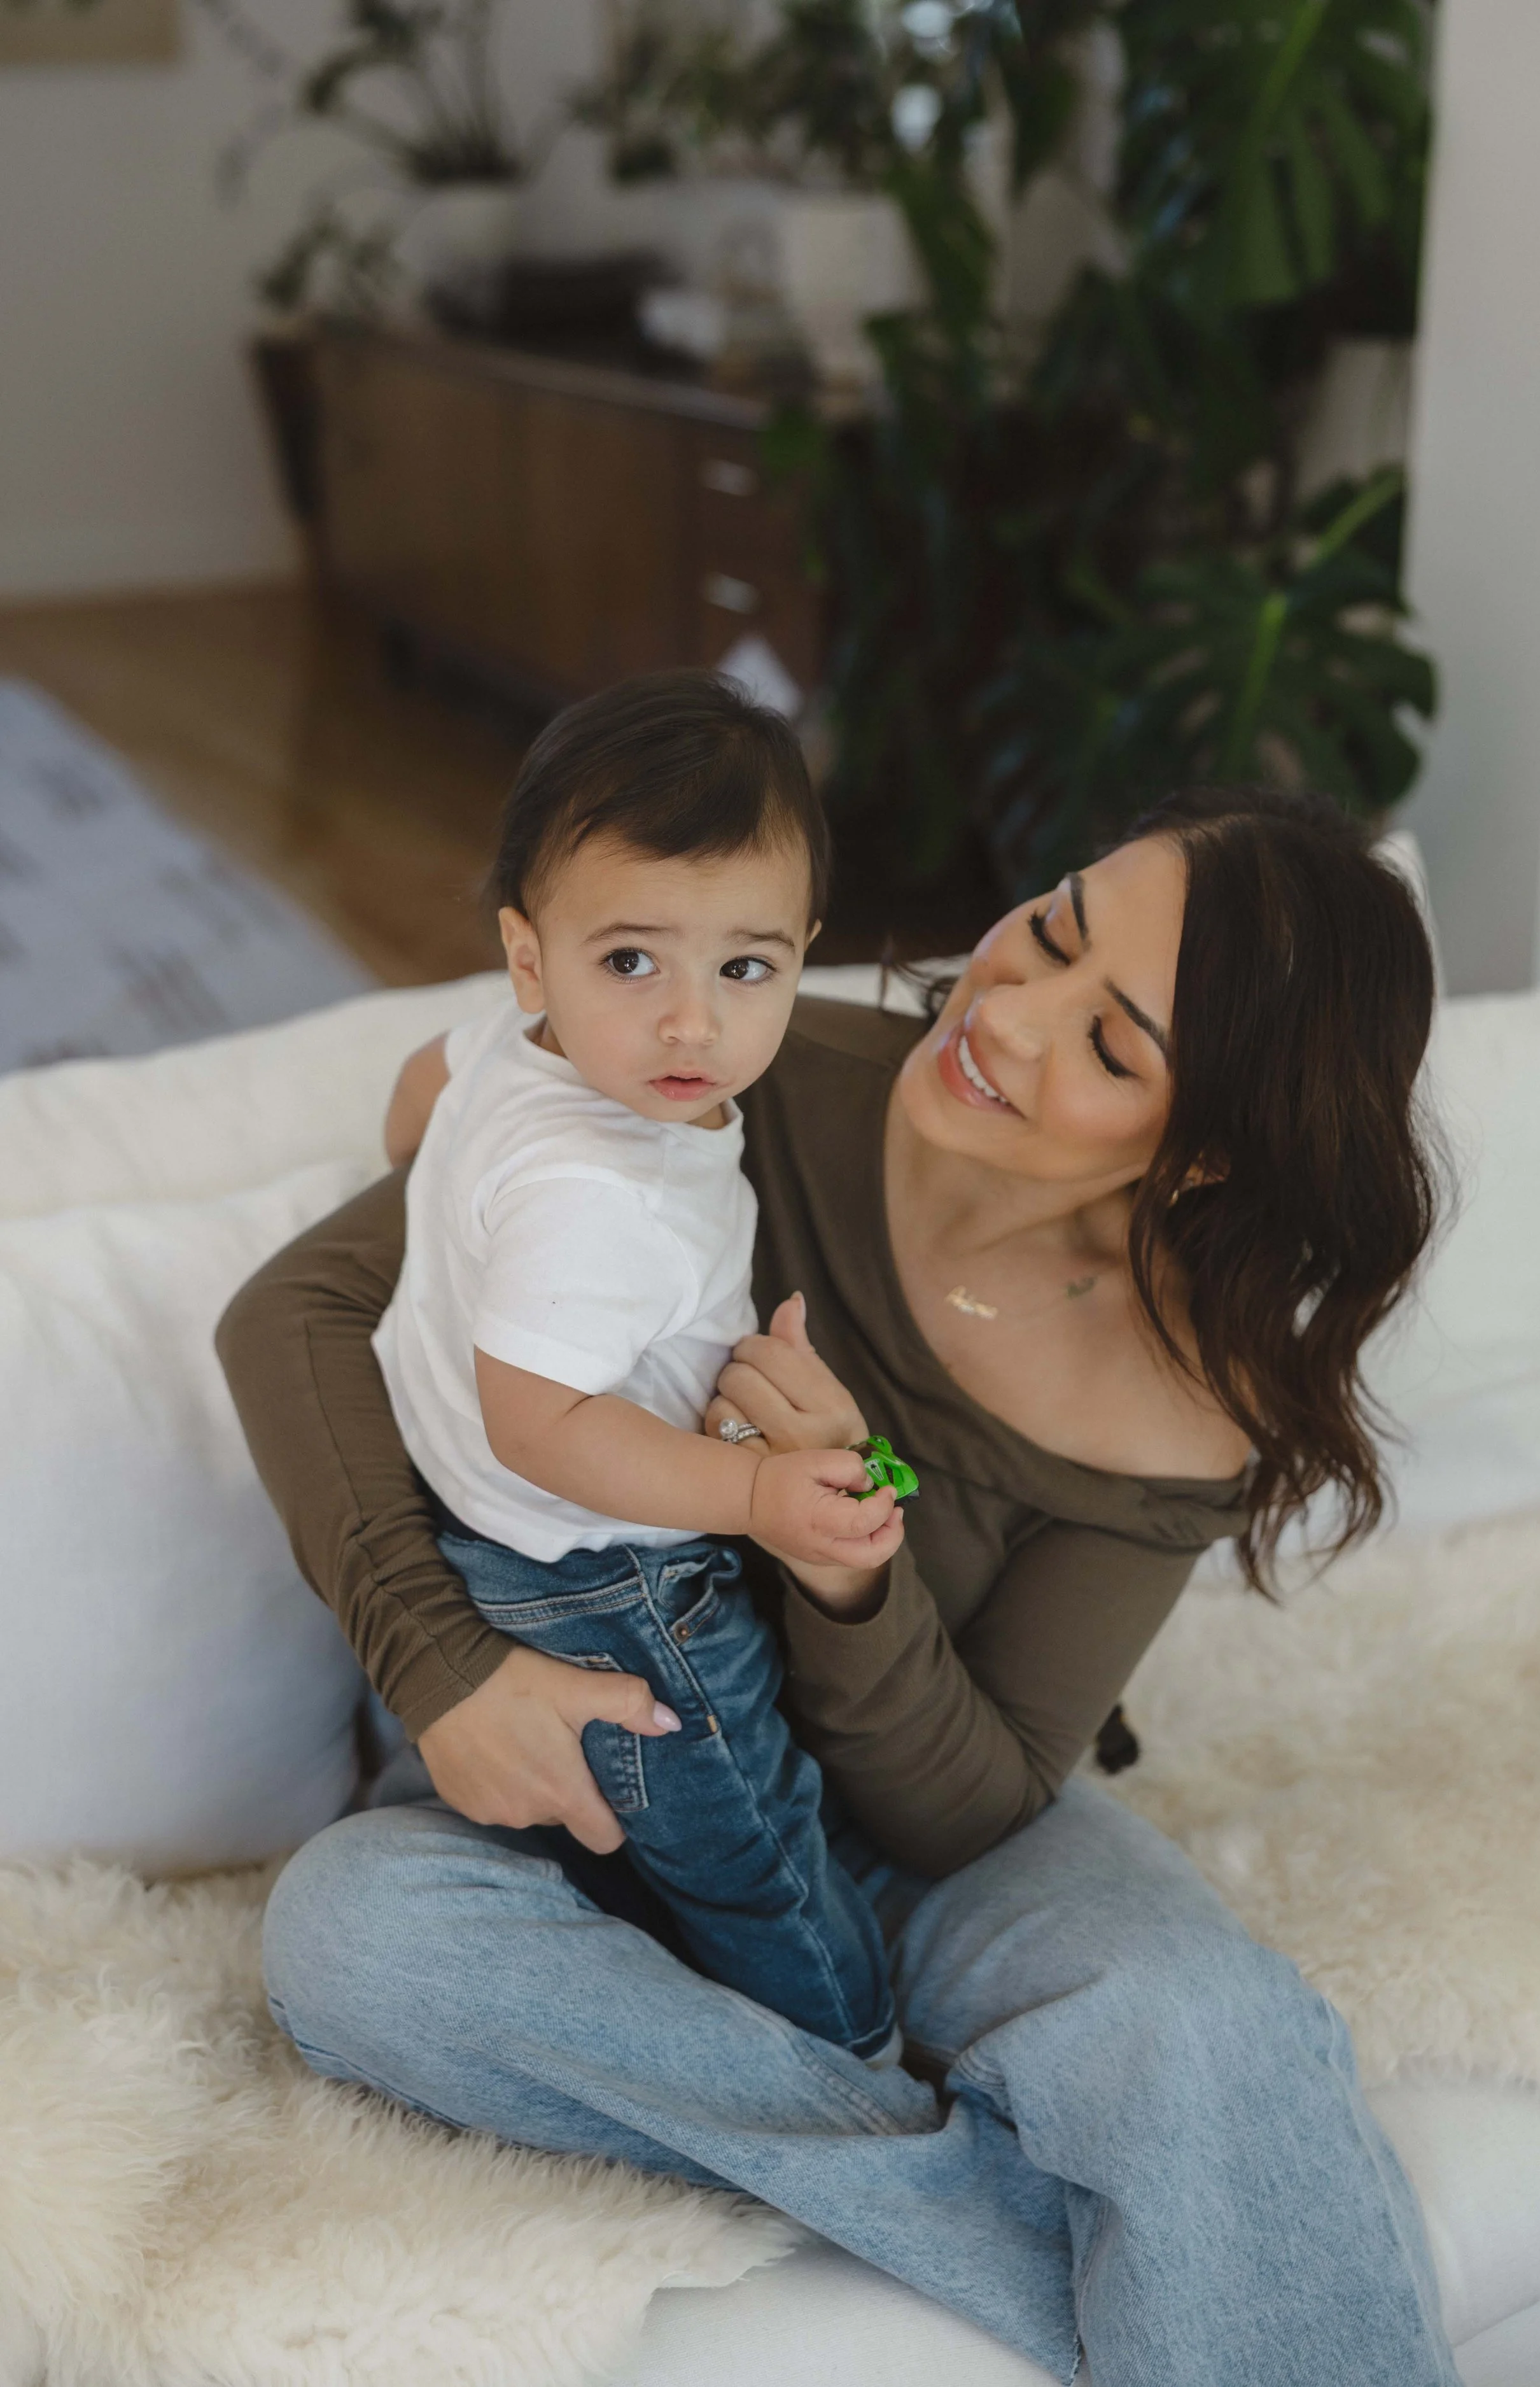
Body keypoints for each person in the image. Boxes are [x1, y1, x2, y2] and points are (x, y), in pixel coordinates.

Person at [218, 782, 1462, 2387]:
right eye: (1052, 934)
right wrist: (439, 1667)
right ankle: (1132, 2276)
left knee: (1201, 2021)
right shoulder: (731, 1071)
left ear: (1204, 1150)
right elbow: (297, 1314)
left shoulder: (1176, 1392)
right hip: (599, 1789)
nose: (1008, 1016)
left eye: (1107, 1047)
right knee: (354, 1939)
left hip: (908, 1848)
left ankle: (1128, 2257)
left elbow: (975, 1804)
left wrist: (845, 1549)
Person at [372, 670, 899, 2061]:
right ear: (530, 953)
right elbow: (538, 1418)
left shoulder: (507, 1043)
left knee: (653, 1821)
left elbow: (414, 1102)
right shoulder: (599, 1190)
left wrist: (447, 1208)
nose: (691, 1025)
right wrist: (753, 1504)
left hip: (484, 1540)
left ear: (802, 952)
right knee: (751, 1844)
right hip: (618, 1579)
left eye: (745, 967)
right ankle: (858, 2058)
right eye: (632, 963)